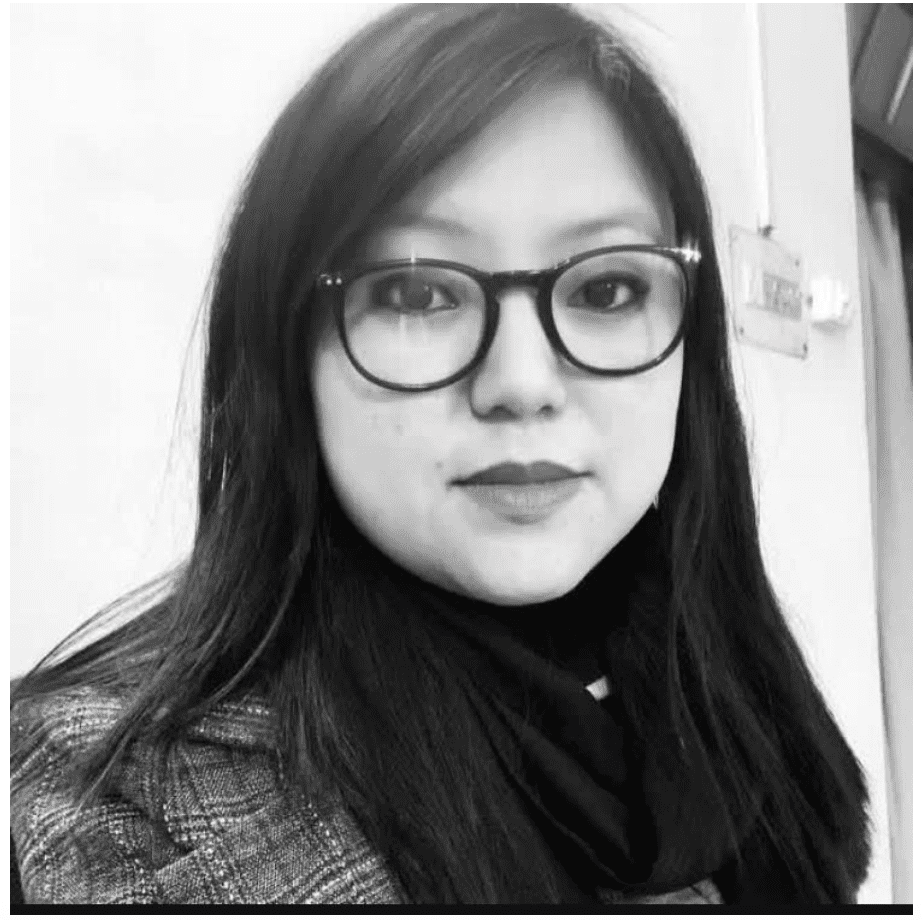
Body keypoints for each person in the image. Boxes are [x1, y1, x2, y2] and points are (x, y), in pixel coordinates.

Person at [10, 3, 872, 905]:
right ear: (288, 354)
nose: (523, 383)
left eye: (608, 288)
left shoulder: (729, 666)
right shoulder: (127, 797)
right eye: (417, 294)